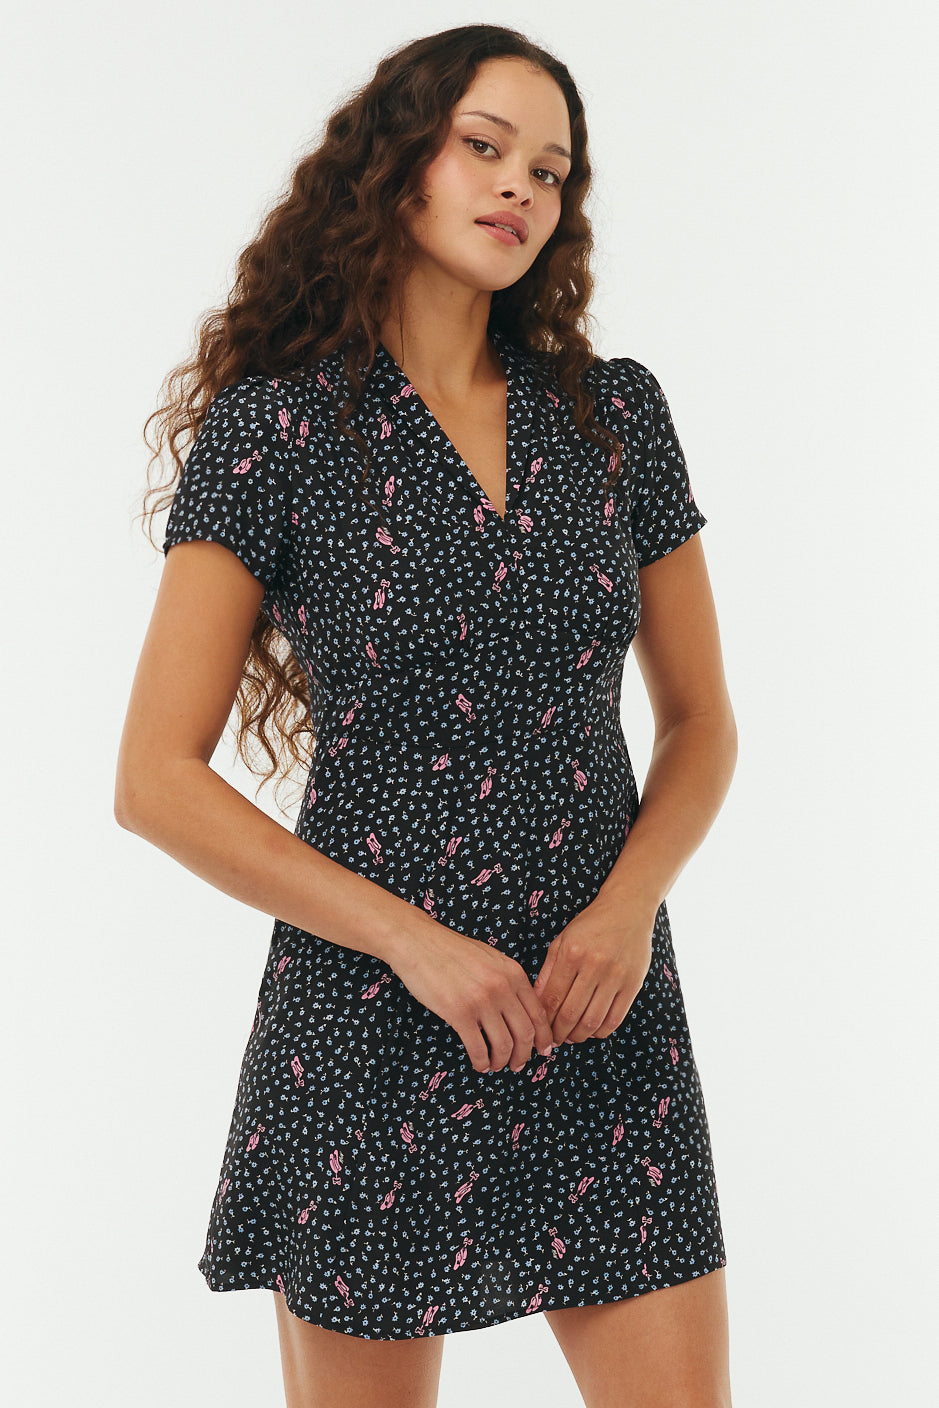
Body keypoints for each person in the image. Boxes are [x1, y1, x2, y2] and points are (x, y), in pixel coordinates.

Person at [116, 22, 737, 1408]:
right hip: (373, 1013)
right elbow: (154, 779)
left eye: (551, 169)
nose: (521, 186)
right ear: (396, 166)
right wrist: (417, 946)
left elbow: (701, 723)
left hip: (598, 1005)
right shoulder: (276, 433)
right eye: (484, 147)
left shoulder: (616, 417)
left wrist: (630, 907)